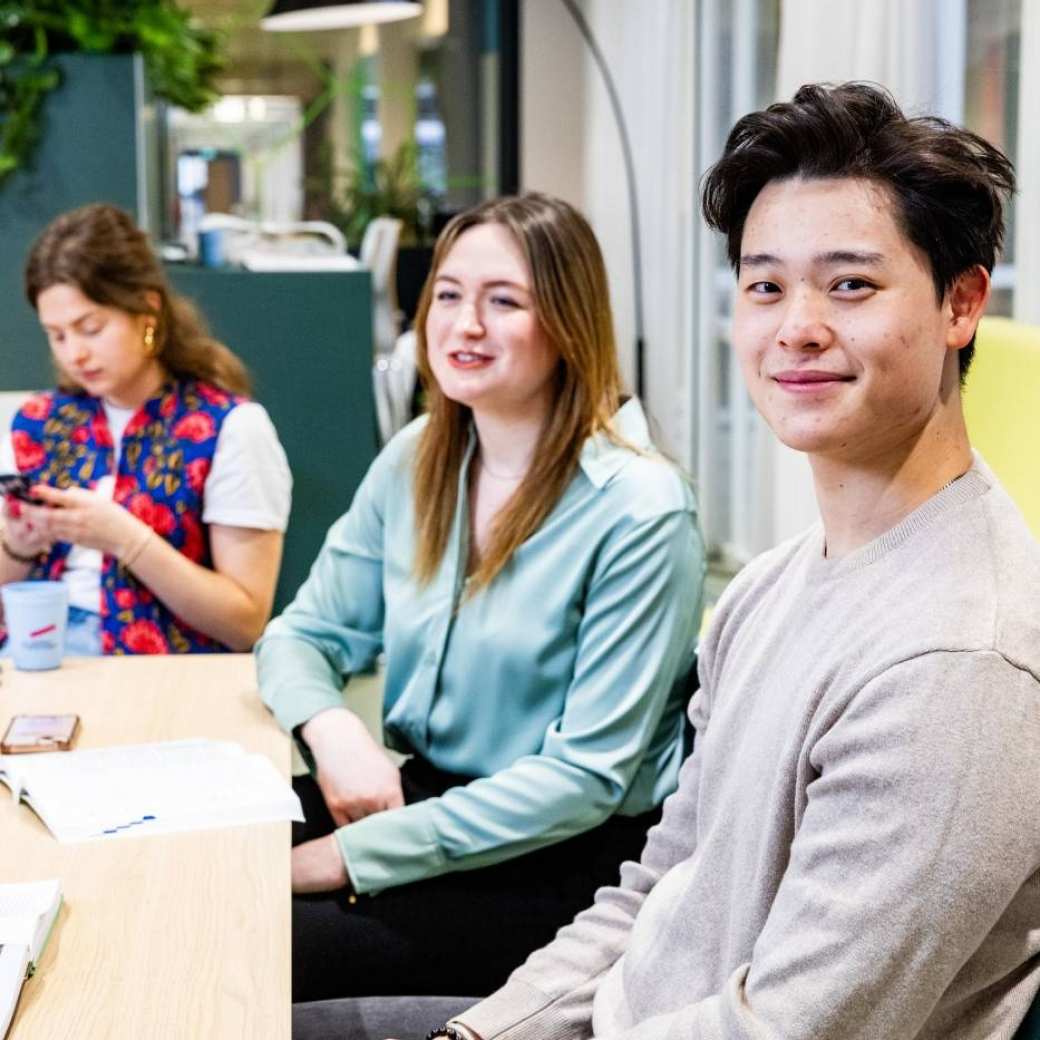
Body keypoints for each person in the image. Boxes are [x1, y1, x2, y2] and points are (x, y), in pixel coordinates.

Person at [293, 83, 1040, 1040]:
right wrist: (486, 1030)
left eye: (850, 285)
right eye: (765, 285)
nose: (795, 326)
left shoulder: (955, 667)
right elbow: (658, 883)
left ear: (961, 304)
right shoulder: (770, 587)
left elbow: (785, 1028)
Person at [256, 192, 705, 1001]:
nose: (465, 325)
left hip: (556, 857)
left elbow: (585, 780)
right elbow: (299, 636)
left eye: (504, 302)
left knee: (250, 946)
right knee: (191, 855)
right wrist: (334, 733)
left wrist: (350, 857)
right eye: (449, 295)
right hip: (419, 795)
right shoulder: (418, 456)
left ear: (568, 323)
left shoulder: (641, 508)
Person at [0, 203, 291, 654]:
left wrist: (127, 540)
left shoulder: (227, 428)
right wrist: (18, 546)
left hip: (160, 671)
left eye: (90, 328)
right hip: (37, 657)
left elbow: (246, 623)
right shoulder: (38, 423)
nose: (74, 354)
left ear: (147, 311)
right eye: (57, 336)